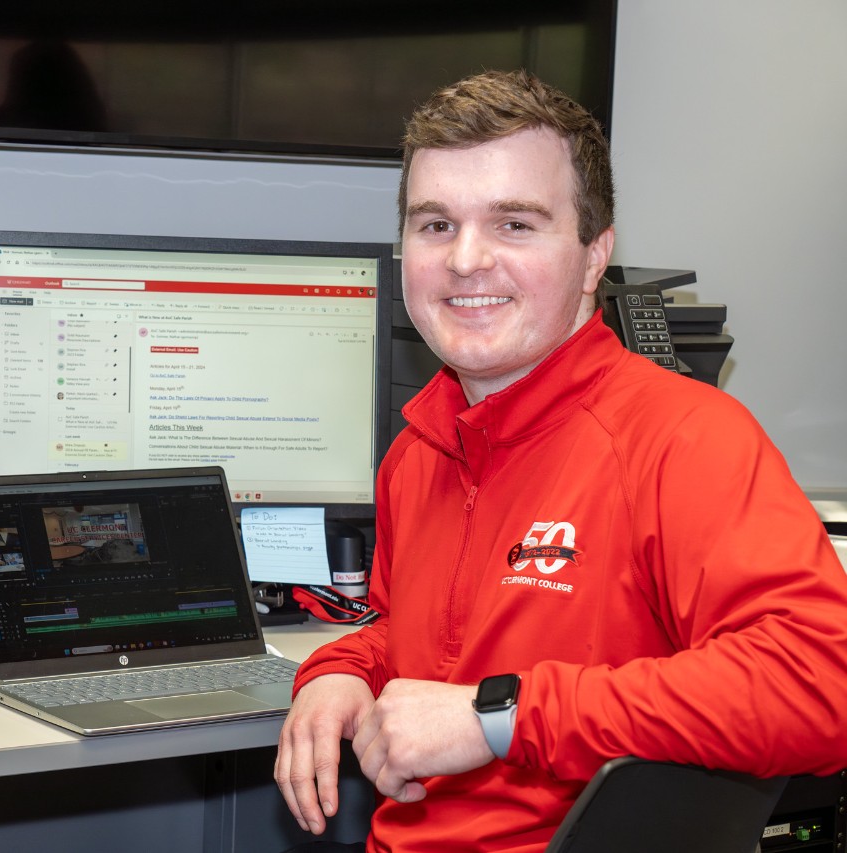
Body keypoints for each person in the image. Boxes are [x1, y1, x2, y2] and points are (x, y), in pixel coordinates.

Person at [273, 69, 847, 852]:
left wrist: (502, 715)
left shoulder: (684, 438)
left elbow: (821, 689)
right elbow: (418, 640)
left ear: (593, 255)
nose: (467, 259)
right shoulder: (420, 450)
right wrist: (339, 669)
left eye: (515, 223)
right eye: (435, 224)